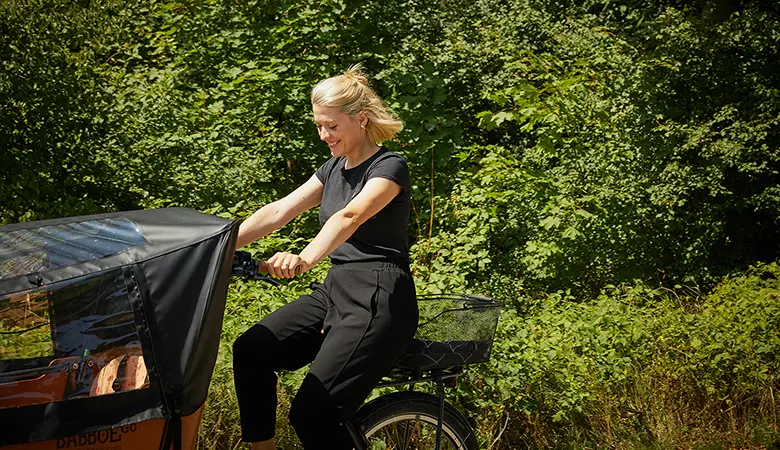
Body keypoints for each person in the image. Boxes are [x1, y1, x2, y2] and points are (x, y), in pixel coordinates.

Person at [232, 65, 419, 450]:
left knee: (312, 413)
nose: (323, 135)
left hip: (378, 295)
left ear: (361, 119)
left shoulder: (389, 167)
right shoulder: (332, 169)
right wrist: (217, 245)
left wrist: (304, 258)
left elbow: (349, 216)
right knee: (252, 349)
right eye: (319, 126)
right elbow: (279, 210)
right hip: (336, 290)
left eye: (331, 126)